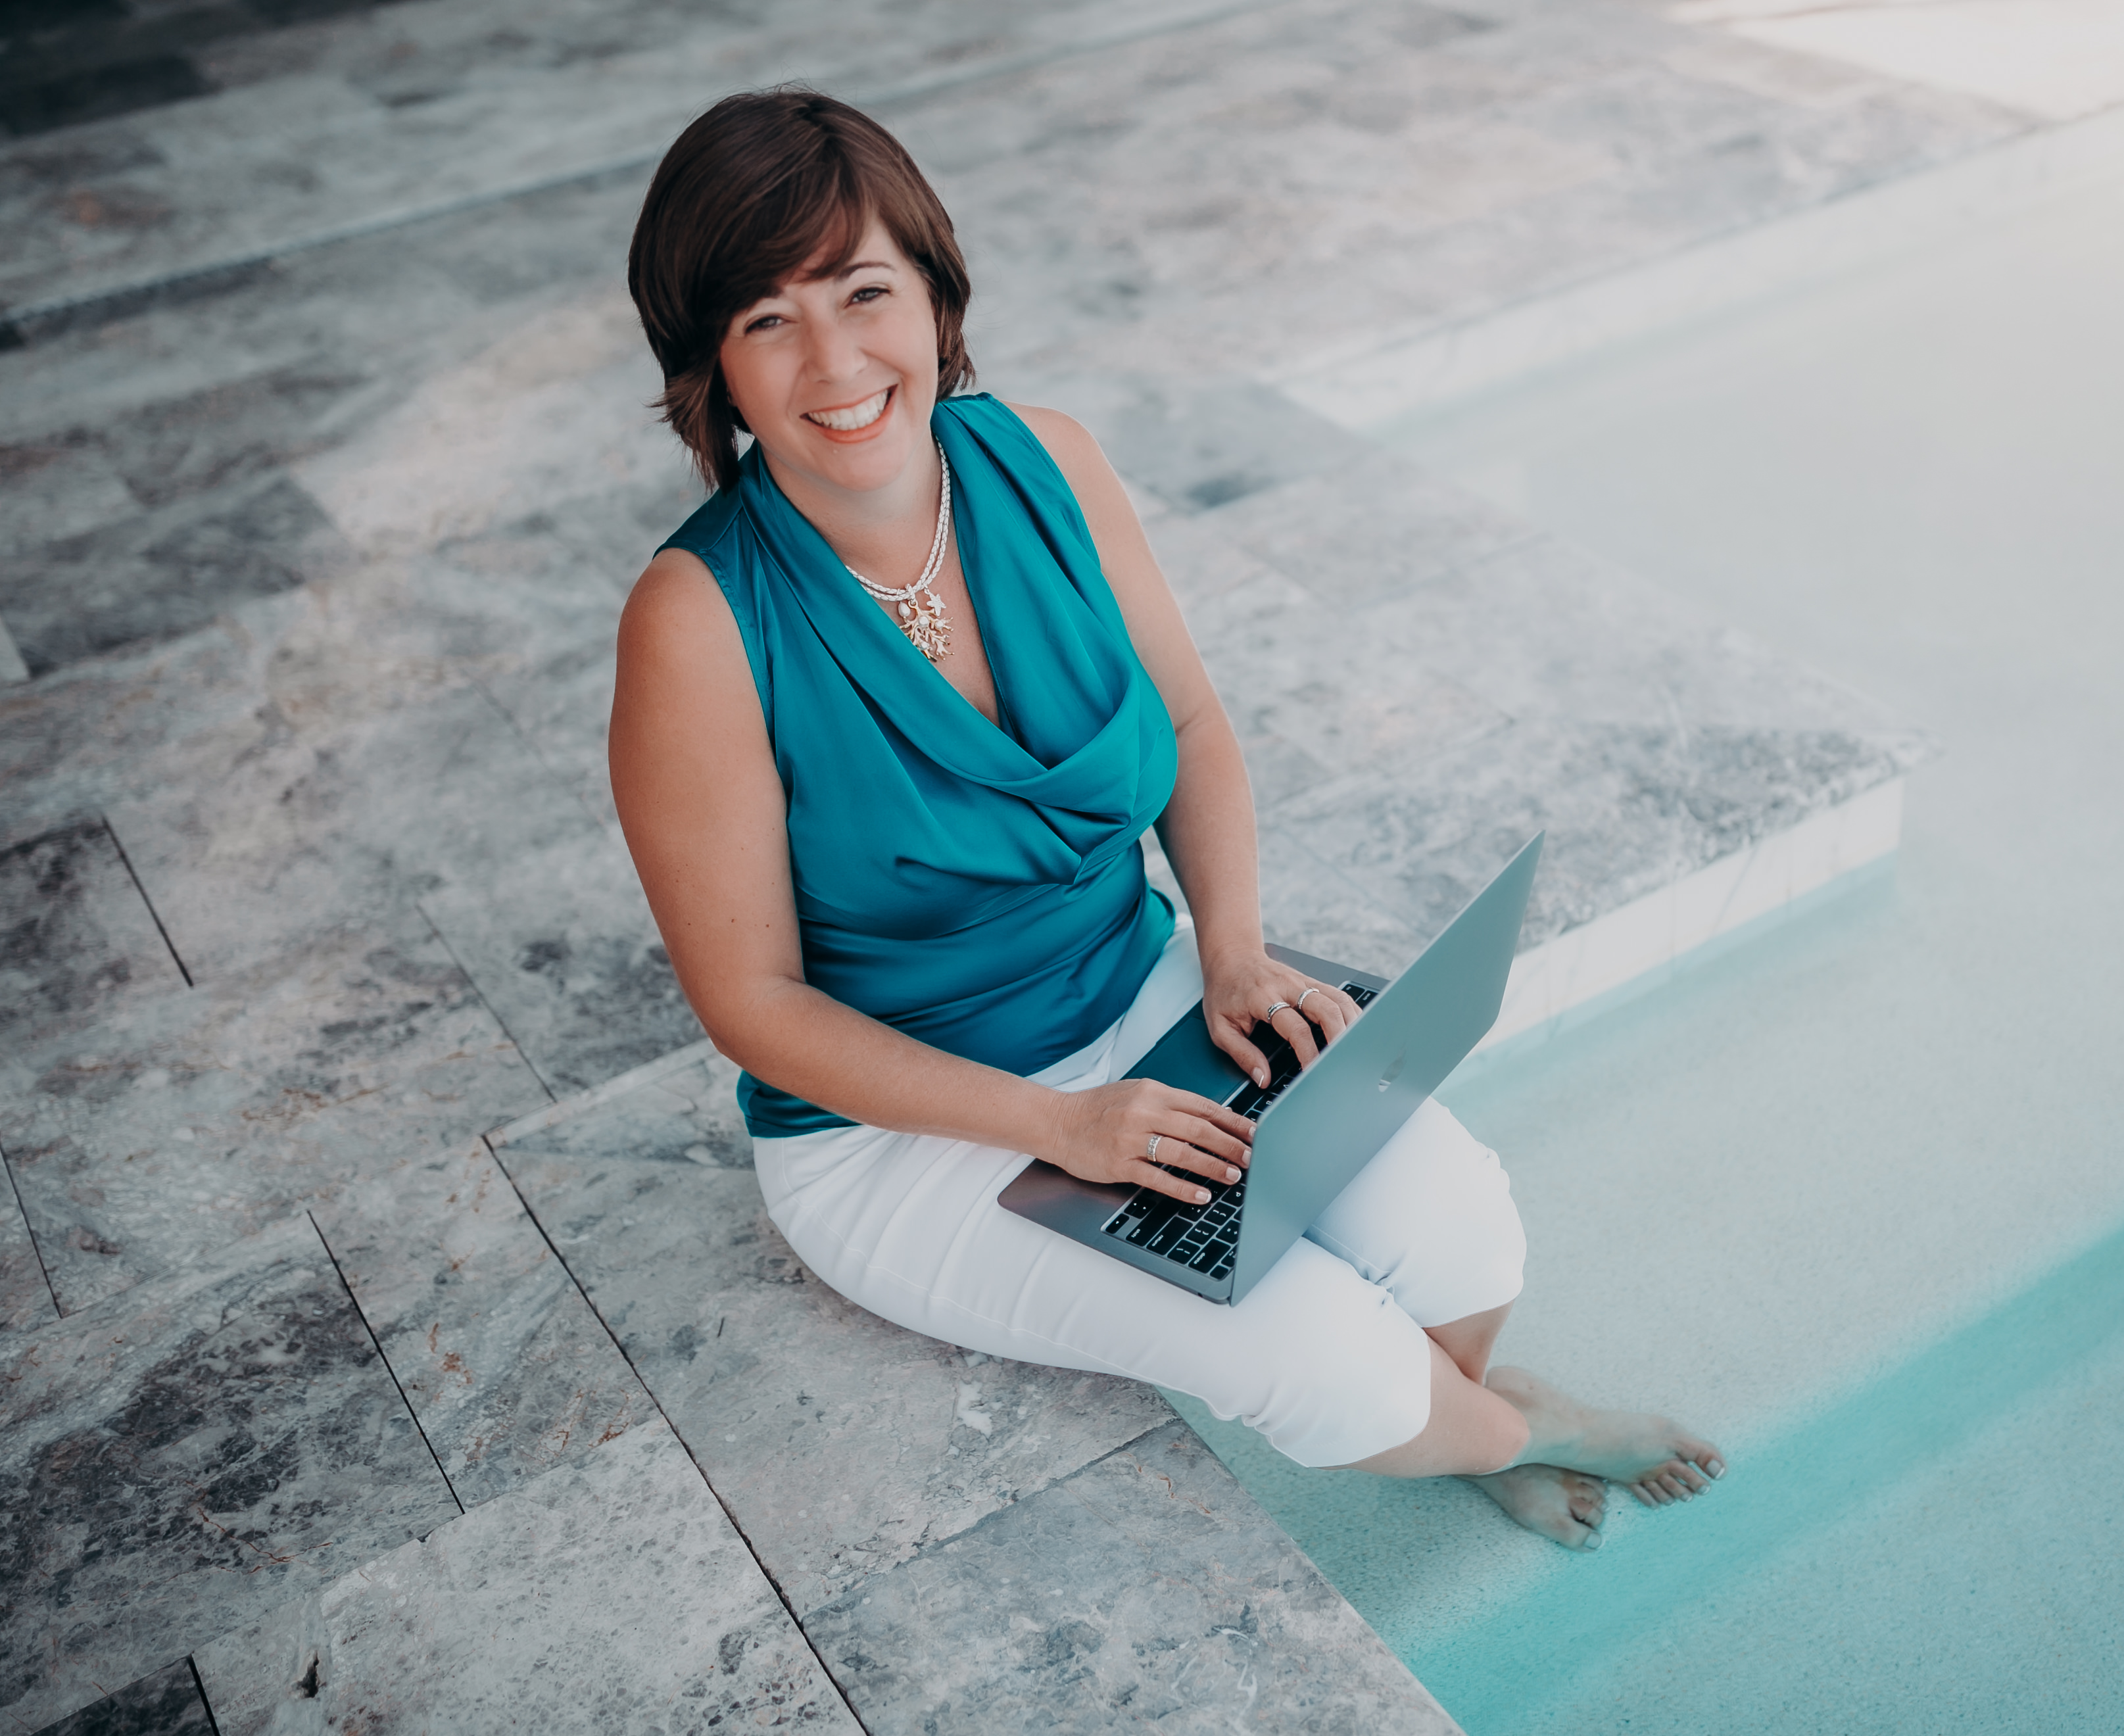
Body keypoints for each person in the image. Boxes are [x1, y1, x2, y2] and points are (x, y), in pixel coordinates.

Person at [610, 87, 1722, 1551]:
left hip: (1140, 991)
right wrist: (1062, 1123)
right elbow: (753, 1008)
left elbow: (1189, 725)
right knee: (1314, 1364)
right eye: (767, 322)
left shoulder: (1047, 460)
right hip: (904, 1129)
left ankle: (1458, 1422)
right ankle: (1517, 1429)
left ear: (935, 294)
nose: (834, 361)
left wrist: (1238, 955)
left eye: (863, 292)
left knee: (1464, 1228)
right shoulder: (695, 621)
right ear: (715, 374)